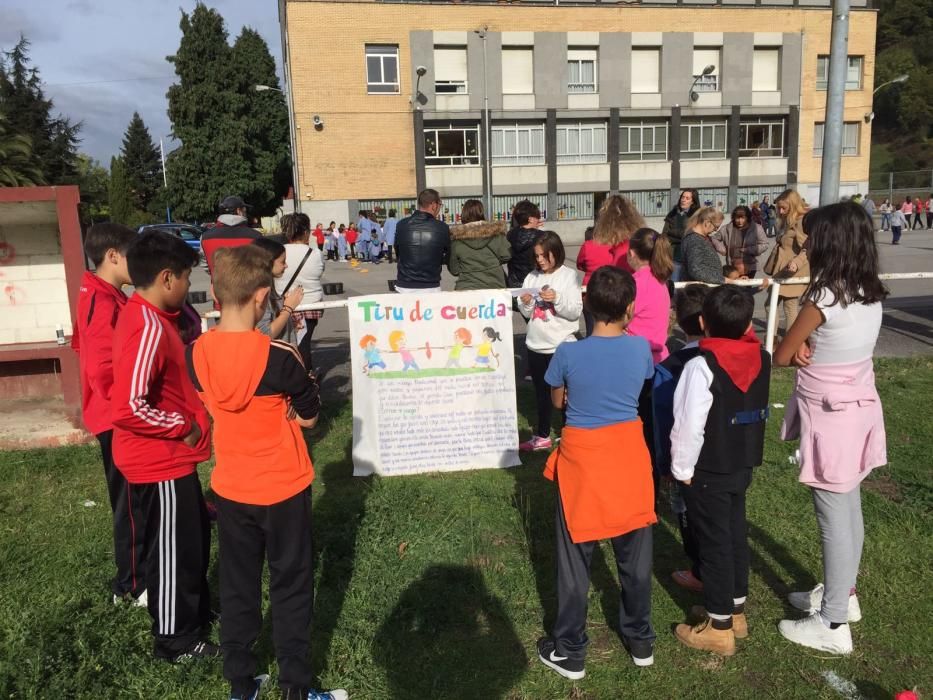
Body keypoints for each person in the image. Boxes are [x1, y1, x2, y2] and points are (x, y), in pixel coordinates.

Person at [188, 246, 347, 700]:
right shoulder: (282, 356)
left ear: (217, 295)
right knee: (291, 582)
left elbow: (211, 401)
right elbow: (311, 418)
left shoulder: (193, 353)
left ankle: (242, 681)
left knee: (237, 584)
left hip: (232, 487)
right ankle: (296, 686)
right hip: (284, 485)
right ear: (262, 296)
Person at [773, 202, 888, 656]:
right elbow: (828, 347)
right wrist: (807, 350)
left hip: (831, 418)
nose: (807, 242)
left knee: (833, 518)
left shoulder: (825, 296)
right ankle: (845, 596)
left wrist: (798, 350)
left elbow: (783, 354)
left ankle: (833, 621)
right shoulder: (868, 289)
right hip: (858, 409)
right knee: (849, 506)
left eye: (813, 235)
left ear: (832, 241)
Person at [536, 266, 657, 679]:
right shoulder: (641, 348)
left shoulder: (568, 352)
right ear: (630, 307)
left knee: (575, 559)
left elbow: (557, 401)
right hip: (628, 457)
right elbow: (640, 384)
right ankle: (640, 638)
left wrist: (570, 392)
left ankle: (570, 649)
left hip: (583, 461)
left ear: (586, 304)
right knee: (635, 554)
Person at [110, 230, 216, 662]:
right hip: (160, 462)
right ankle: (175, 641)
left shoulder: (150, 318)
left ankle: (193, 614)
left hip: (171, 461)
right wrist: (182, 426)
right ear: (168, 278)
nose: (190, 287)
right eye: (188, 278)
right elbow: (129, 406)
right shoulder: (148, 326)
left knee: (189, 542)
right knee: (173, 551)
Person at [670, 285, 771, 656]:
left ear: (701, 321)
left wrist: (682, 468)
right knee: (733, 535)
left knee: (713, 544)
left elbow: (688, 423)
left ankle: (718, 626)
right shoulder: (763, 357)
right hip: (742, 462)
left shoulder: (701, 365)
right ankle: (735, 609)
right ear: (747, 321)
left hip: (707, 468)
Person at [72, 223, 147, 606]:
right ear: (114, 256)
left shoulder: (97, 292)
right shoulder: (103, 301)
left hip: (114, 414)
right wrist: (132, 405)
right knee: (130, 505)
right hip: (118, 419)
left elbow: (77, 345)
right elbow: (101, 368)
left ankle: (136, 576)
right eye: (133, 255)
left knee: (134, 500)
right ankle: (132, 584)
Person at [652, 284, 710, 595]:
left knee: (687, 514)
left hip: (684, 459)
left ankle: (700, 570)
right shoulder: (723, 357)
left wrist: (664, 464)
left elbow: (664, 421)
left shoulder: (668, 369)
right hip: (721, 457)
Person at [518, 231, 583, 451]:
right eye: (537, 256)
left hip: (562, 345)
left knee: (567, 394)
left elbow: (575, 312)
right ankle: (542, 435)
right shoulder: (531, 277)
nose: (540, 260)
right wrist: (525, 303)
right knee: (541, 393)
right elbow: (527, 314)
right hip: (536, 344)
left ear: (556, 252)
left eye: (544, 255)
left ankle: (570, 434)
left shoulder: (569, 276)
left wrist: (557, 299)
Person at [278, 213, 325, 370]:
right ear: (305, 232)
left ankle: (290, 377)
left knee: (284, 344)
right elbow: (319, 272)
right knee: (304, 344)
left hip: (283, 304)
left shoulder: (278, 252)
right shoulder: (315, 254)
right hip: (310, 305)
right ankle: (306, 378)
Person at [626, 228, 673, 363]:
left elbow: (618, 319)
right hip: (660, 356)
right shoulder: (660, 279)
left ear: (631, 253)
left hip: (637, 358)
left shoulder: (635, 284)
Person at [767, 189, 810, 337]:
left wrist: (797, 262)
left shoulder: (800, 222)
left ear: (792, 205)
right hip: (781, 270)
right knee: (771, 305)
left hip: (792, 271)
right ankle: (773, 340)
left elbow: (808, 247)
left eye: (783, 207)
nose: (780, 210)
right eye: (778, 207)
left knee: (789, 306)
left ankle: (789, 341)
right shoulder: (786, 220)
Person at [395, 188, 451, 293]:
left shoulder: (401, 224)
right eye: (440, 205)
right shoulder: (442, 228)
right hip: (431, 286)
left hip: (404, 285)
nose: (439, 208)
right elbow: (447, 255)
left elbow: (398, 252)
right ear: (434, 205)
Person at [447, 199, 511, 290]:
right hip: (495, 285)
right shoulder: (496, 234)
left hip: (466, 287)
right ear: (481, 212)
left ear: (463, 214)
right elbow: (507, 256)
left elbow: (455, 270)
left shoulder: (456, 240)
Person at [253, 237, 303, 349]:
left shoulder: (267, 287)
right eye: (282, 261)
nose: (286, 265)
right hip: (274, 360)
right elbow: (265, 333)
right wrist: (288, 309)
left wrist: (288, 324)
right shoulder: (260, 292)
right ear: (268, 262)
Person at [201, 196, 260, 275]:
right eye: (245, 211)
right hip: (248, 286)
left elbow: (206, 265)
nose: (246, 214)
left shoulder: (205, 237)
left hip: (219, 285)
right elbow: (260, 264)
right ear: (239, 211)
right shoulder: (256, 236)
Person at [711, 206, 769, 279]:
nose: (740, 221)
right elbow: (714, 238)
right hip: (732, 265)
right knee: (734, 287)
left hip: (749, 265)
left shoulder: (756, 228)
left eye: (743, 218)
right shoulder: (726, 228)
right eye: (737, 218)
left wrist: (749, 250)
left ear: (747, 217)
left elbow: (765, 244)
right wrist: (722, 249)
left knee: (746, 286)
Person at [662, 189, 701, 281]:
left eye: (687, 198)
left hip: (689, 255)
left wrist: (672, 233)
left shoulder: (696, 216)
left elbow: (689, 234)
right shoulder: (672, 214)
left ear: (693, 202)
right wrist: (679, 236)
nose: (683, 200)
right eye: (683, 197)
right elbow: (664, 234)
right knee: (673, 283)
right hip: (672, 255)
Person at [506, 199, 545, 289]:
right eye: (537, 217)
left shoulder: (510, 234)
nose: (538, 220)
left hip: (514, 283)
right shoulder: (541, 236)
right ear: (530, 219)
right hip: (534, 281)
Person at [681, 207, 726, 284]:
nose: (715, 230)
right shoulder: (694, 240)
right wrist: (723, 280)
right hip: (700, 291)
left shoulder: (699, 237)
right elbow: (696, 270)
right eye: (716, 227)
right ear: (707, 223)